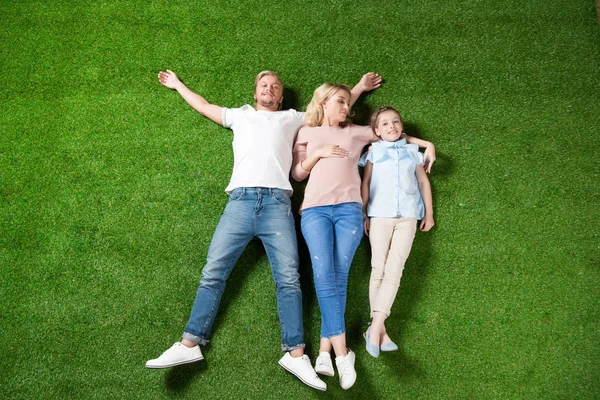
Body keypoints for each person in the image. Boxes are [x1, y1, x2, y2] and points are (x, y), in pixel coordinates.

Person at [145, 69, 382, 392]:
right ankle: (189, 344)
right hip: (240, 202)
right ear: (255, 93)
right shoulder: (238, 116)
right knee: (213, 271)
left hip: (276, 204)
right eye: (264, 85)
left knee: (289, 279)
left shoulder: (293, 119)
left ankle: (296, 354)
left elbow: (329, 107)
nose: (269, 89)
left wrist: (358, 89)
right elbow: (204, 106)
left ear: (281, 97)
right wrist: (177, 85)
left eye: (275, 87)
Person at [291, 85, 435, 389]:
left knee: (339, 276)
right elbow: (298, 174)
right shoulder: (306, 132)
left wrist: (427, 144)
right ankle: (343, 354)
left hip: (350, 210)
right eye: (340, 102)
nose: (347, 107)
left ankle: (324, 351)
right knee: (322, 274)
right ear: (324, 102)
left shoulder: (356, 132)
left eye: (348, 102)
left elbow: (392, 137)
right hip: (315, 209)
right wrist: (317, 154)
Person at [359, 106, 434, 358]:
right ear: (377, 131)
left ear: (401, 126)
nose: (392, 126)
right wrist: (363, 214)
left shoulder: (412, 152)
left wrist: (430, 213)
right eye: (385, 124)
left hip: (409, 217)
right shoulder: (373, 152)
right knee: (378, 268)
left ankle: (376, 326)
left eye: (396, 122)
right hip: (379, 215)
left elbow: (423, 181)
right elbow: (366, 183)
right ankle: (378, 329)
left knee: (395, 268)